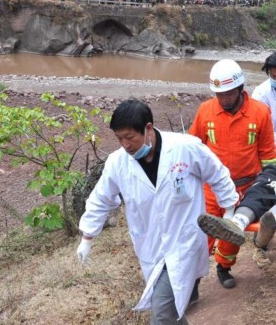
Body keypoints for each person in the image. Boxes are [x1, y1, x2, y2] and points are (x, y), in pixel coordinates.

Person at [77, 99, 239, 324]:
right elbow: (101, 199)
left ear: (148, 129)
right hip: (150, 245)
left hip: (184, 242)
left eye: (130, 137)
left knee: (162, 314)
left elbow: (217, 173)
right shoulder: (117, 163)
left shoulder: (184, 148)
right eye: (119, 138)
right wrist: (88, 236)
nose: (125, 145)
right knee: (170, 309)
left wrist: (229, 211)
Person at [189, 59, 276, 288]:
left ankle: (223, 267)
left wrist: (268, 185)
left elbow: (268, 154)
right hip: (211, 187)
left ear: (240, 89)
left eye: (228, 93)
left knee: (232, 233)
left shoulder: (260, 113)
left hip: (245, 188)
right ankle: (193, 281)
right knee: (201, 234)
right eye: (219, 94)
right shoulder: (205, 111)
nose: (224, 99)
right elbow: (192, 147)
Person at [198, 152, 276, 267]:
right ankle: (268, 222)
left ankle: (241, 222)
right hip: (275, 170)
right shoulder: (275, 165)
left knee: (263, 194)